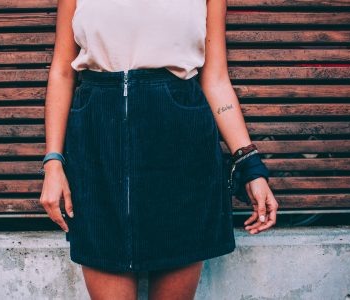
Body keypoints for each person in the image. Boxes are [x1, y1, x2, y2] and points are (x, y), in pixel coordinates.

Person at [40, 0, 279, 299]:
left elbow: (215, 79)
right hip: (98, 156)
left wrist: (250, 165)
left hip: (182, 155)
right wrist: (53, 161)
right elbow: (63, 71)